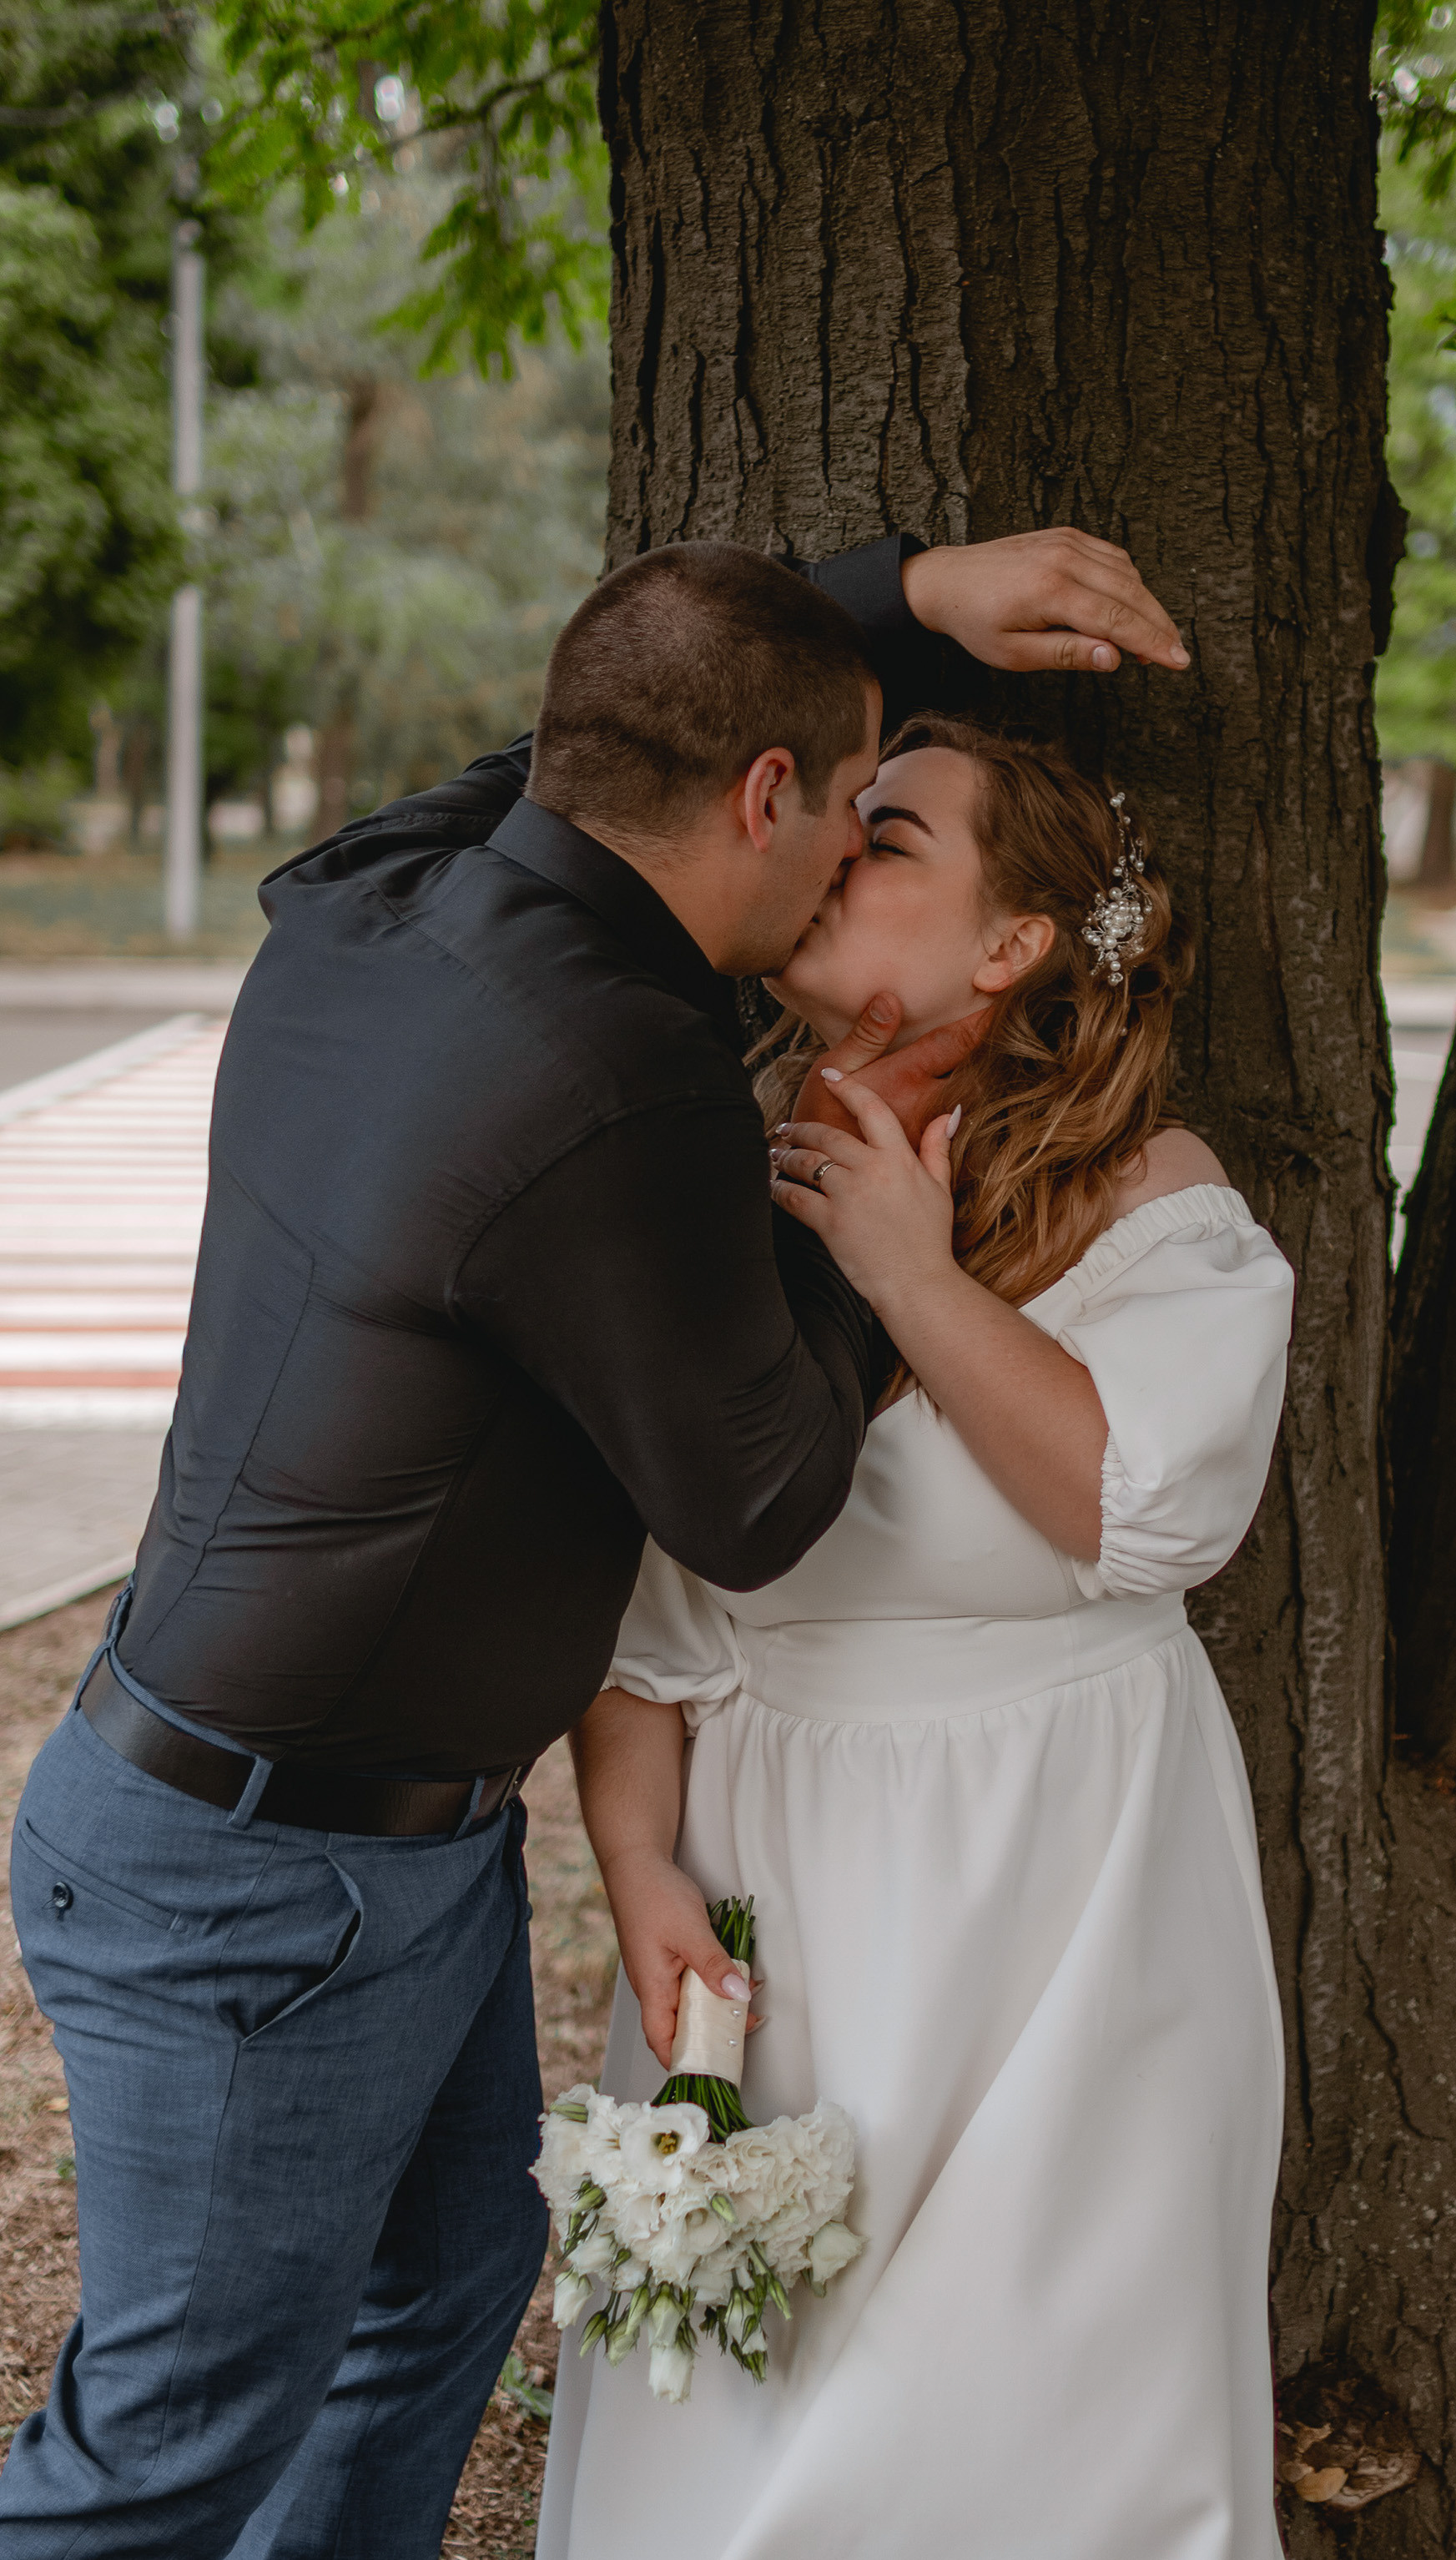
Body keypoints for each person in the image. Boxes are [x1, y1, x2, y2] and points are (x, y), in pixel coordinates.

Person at [0, 531, 1189, 2558]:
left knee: (444, 2287)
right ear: (765, 801)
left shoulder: (379, 892)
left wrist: (907, 598)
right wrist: (874, 1168)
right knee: (167, 2451)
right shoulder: (626, 1071)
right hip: (269, 1885)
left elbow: (601, 721)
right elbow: (761, 1497)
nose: (850, 858)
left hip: (373, 1833)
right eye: (851, 804)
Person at [539, 716, 1294, 2559]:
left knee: (1031, 2416)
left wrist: (910, 1267)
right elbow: (644, 1600)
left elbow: (1147, 1510)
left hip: (1064, 1883)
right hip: (769, 1887)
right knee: (746, 2397)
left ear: (1011, 945)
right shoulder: (702, 1153)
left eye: (892, 836)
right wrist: (636, 1859)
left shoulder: (1151, 1199)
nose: (831, 844)